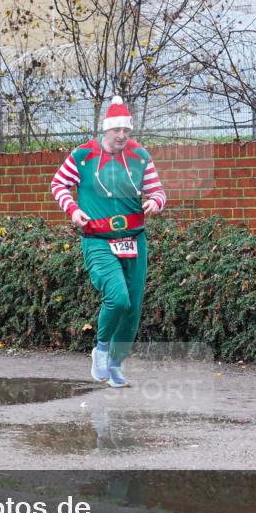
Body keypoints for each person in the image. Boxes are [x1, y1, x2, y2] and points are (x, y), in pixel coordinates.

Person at [50, 96, 166, 387]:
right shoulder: (82, 156)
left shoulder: (140, 156)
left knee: (132, 308)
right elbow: (59, 183)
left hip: (135, 241)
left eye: (126, 130)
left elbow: (158, 191)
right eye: (117, 130)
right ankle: (101, 350)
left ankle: (115, 364)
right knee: (117, 297)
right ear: (106, 130)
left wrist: (155, 202)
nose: (122, 136)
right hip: (98, 240)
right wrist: (72, 210)